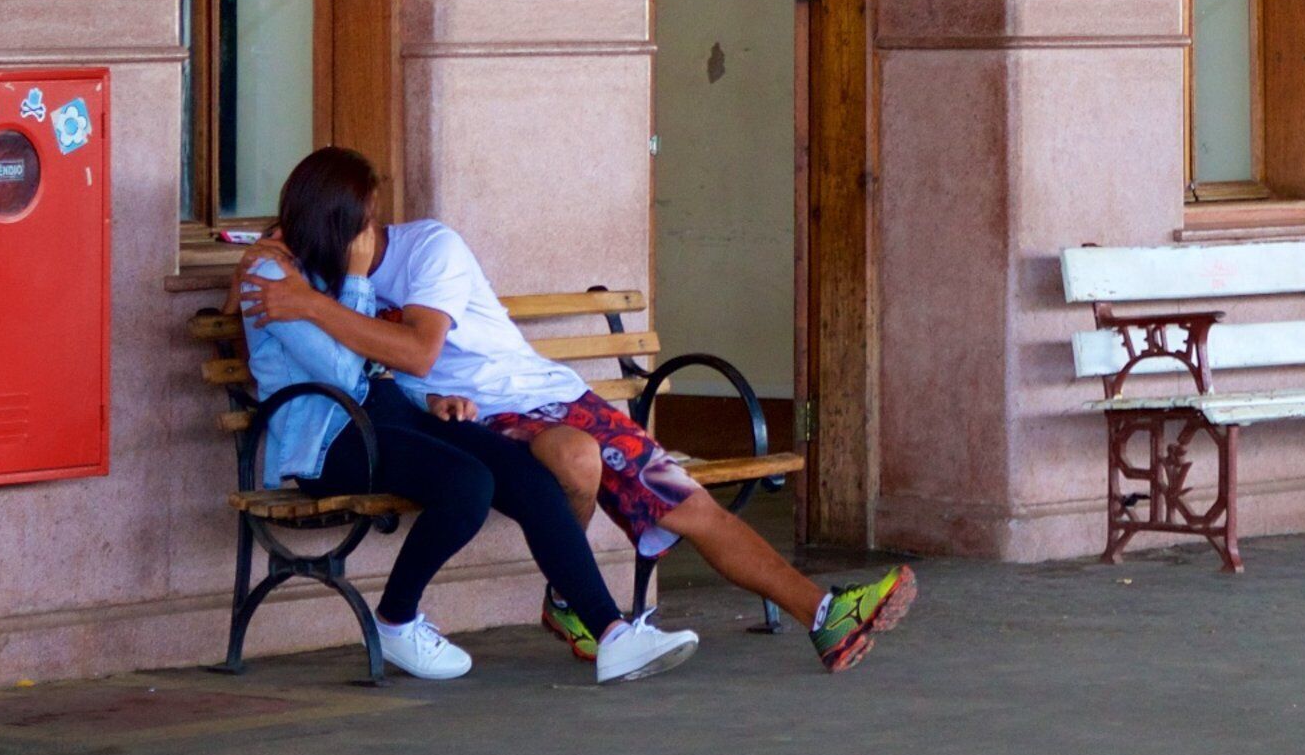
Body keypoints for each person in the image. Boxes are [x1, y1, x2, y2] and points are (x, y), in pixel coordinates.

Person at [243, 197, 920, 674]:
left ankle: (822, 612)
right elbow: (374, 363)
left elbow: (415, 350)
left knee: (686, 503)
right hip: (488, 419)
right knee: (573, 457)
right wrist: (276, 261)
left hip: (551, 395)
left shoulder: (427, 249)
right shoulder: (328, 279)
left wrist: (327, 295)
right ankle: (574, 602)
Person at [244, 150, 699, 683]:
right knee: (468, 484)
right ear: (336, 217)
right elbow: (344, 375)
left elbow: (371, 366)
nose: (374, 228)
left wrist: (431, 402)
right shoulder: (272, 274)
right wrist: (357, 279)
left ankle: (612, 634)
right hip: (330, 439)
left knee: (523, 473)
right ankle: (395, 619)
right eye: (366, 215)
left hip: (383, 414)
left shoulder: (320, 273)